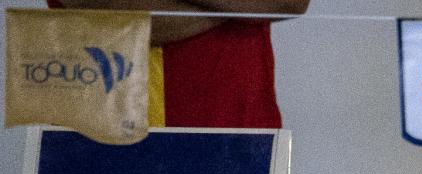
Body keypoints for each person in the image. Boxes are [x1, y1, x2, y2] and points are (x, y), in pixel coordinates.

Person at [49, 0, 309, 128]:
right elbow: (121, 19)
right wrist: (238, 11)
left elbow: (288, 1)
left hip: (235, 132)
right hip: (107, 135)